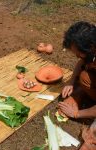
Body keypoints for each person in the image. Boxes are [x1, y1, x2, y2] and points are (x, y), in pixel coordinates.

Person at [58, 21, 96, 150]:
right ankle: (81, 93)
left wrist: (76, 114)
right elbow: (82, 61)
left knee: (91, 136)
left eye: (78, 52)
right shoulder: (92, 50)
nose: (77, 56)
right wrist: (71, 82)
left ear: (91, 47)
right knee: (84, 76)